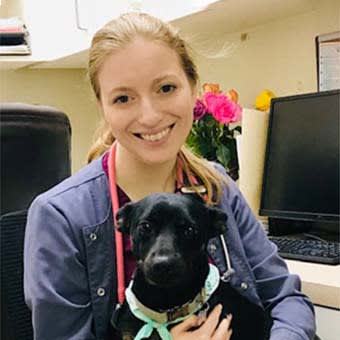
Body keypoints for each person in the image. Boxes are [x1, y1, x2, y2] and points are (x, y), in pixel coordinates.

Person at [24, 12, 316, 340]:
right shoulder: (61, 216)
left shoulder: (216, 187)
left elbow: (286, 299)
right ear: (103, 107)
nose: (149, 115)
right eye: (123, 98)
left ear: (192, 89)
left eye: (166, 88)